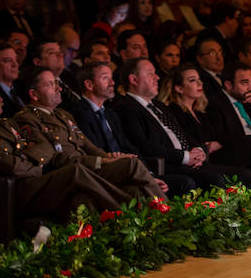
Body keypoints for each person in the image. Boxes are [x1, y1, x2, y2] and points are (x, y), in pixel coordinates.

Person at [0, 77, 140, 221]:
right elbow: (10, 165)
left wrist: (32, 161)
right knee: (74, 171)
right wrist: (37, 165)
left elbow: (44, 147)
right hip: (16, 192)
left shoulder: (7, 124)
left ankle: (112, 241)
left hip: (37, 181)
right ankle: (127, 213)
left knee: (82, 200)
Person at [13, 66, 164, 200]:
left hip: (87, 168)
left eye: (57, 83)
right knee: (132, 165)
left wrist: (110, 156)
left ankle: (160, 222)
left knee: (135, 188)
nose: (58, 88)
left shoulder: (63, 115)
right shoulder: (27, 119)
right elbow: (55, 158)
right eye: (51, 84)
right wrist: (104, 161)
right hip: (70, 174)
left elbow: (88, 145)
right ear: (34, 94)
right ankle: (167, 215)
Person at [110, 58, 251, 188]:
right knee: (214, 179)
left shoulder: (159, 105)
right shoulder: (125, 108)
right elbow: (143, 146)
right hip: (168, 164)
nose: (157, 77)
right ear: (134, 80)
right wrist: (185, 157)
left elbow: (182, 134)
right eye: (150, 74)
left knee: (246, 175)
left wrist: (200, 150)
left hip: (188, 161)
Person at [70, 61, 194, 196]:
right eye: (105, 78)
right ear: (89, 84)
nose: (112, 83)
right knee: (182, 183)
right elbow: (92, 150)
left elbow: (129, 147)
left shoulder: (110, 114)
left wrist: (149, 175)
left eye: (112, 78)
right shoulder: (79, 114)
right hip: (107, 174)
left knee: (182, 183)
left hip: (131, 170)